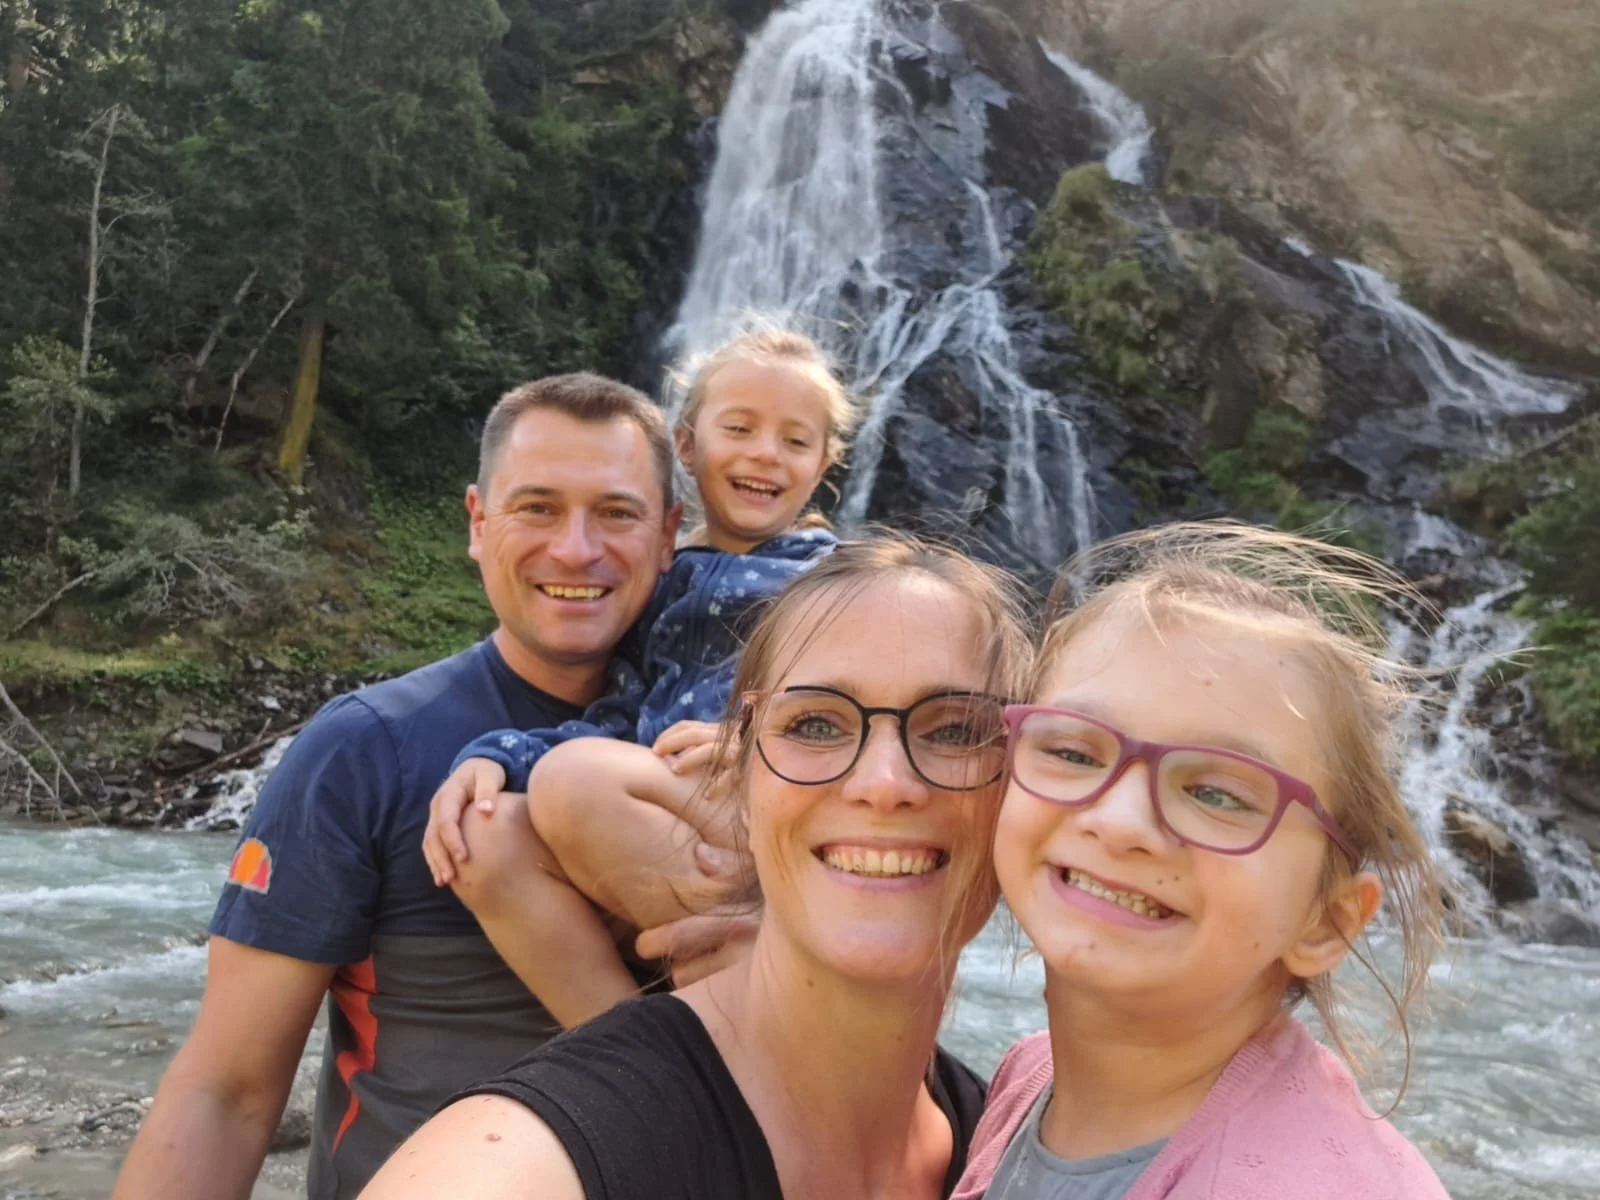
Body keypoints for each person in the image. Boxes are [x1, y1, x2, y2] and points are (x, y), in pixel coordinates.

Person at [113, 374, 685, 1200]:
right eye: (537, 508)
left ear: (669, 536)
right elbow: (227, 1089)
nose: (575, 548)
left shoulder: (748, 742)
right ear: (478, 524)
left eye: (617, 513)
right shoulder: (365, 752)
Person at [360, 536, 1036, 1200]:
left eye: (956, 730)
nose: (883, 784)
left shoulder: (1013, 1144)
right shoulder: (536, 1152)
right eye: (816, 725)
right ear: (738, 770)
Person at [954, 523, 1449, 1199]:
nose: (1120, 821)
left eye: (1217, 794)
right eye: (1072, 752)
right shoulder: (1029, 1078)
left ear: (1326, 921)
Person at [421, 328, 858, 1027]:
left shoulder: (839, 581)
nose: (764, 453)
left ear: (825, 463)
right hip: (663, 812)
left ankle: (794, 1016)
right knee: (487, 833)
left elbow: (873, 712)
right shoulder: (660, 586)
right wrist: (500, 755)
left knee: (571, 780)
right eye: (739, 428)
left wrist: (767, 738)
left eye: (795, 440)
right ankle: (633, 1051)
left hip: (775, 815)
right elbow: (619, 718)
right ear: (686, 445)